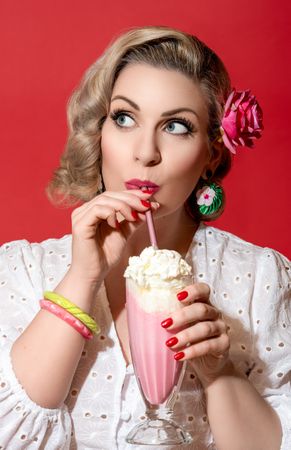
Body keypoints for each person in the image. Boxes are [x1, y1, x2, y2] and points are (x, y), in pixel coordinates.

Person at [0, 25, 290, 450]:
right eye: (124, 118)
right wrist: (83, 279)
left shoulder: (260, 278)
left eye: (176, 126)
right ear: (100, 131)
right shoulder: (22, 271)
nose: (145, 152)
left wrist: (218, 371)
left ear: (211, 154)